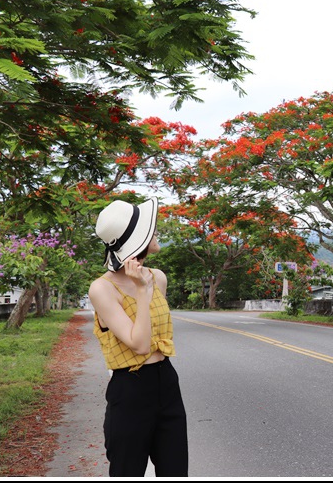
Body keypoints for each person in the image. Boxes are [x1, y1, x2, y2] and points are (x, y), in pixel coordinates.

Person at [88, 197, 189, 477]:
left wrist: (145, 286)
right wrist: (141, 292)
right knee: (127, 471)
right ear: (136, 239)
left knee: (175, 470)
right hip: (130, 389)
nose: (155, 232)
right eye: (150, 228)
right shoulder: (102, 289)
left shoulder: (158, 277)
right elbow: (141, 344)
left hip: (166, 381)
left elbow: (155, 332)